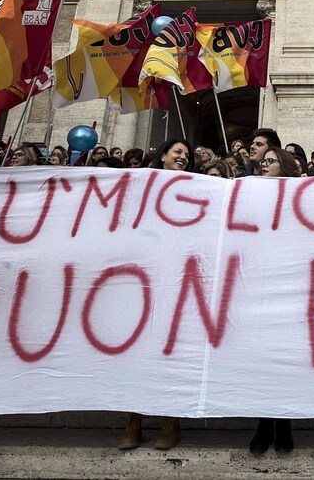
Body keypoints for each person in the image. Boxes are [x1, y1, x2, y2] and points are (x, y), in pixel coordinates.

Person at [118, 139, 193, 452]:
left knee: (172, 354)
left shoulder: (194, 188)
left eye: (187, 155)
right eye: (178, 152)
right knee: (136, 354)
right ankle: (133, 421)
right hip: (142, 282)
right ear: (162, 155)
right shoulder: (140, 187)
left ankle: (170, 421)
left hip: (178, 284)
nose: (183, 157)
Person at [248, 146, 299, 455]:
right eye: (262, 161)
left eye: (270, 161)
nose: (263, 165)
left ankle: (285, 424)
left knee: (287, 360)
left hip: (292, 285)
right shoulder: (250, 191)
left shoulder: (301, 191)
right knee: (262, 360)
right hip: (260, 285)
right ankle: (263, 424)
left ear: (285, 166)